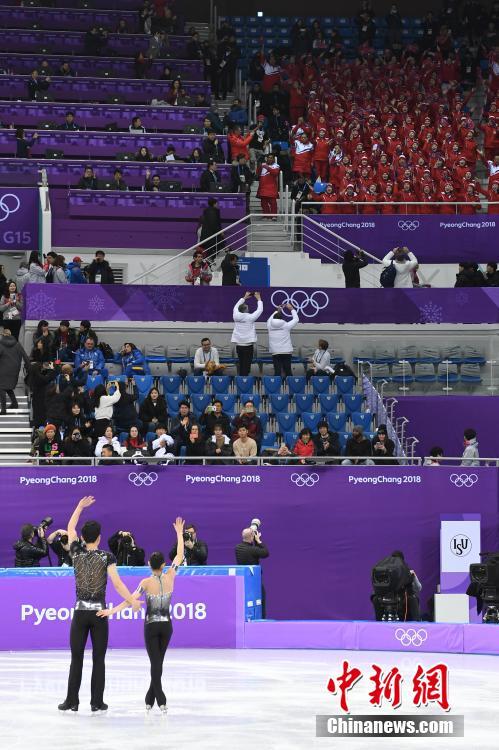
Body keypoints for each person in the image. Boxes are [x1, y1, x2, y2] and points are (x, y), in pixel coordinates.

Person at [58, 496, 140, 712]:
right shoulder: (107, 557)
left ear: (82, 537)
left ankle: (71, 701)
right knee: (98, 659)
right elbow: (118, 584)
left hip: (79, 613)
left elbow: (70, 527)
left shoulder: (76, 552)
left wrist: (79, 507)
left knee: (76, 658)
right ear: (100, 537)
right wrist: (132, 601)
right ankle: (96, 702)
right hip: (99, 614)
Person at [99, 518, 185, 712]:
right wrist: (179, 534)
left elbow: (130, 600)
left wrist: (111, 611)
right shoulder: (171, 576)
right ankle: (150, 697)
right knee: (158, 661)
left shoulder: (145, 583)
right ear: (163, 564)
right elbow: (180, 555)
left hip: (151, 627)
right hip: (167, 626)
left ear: (148, 564)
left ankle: (160, 698)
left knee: (156, 662)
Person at [235, 525, 269, 616]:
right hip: (255, 580)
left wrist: (252, 537)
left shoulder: (237, 548)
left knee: (246, 602)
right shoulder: (252, 550)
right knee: (259, 601)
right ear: (251, 537)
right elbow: (265, 553)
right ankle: (261, 619)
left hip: (243, 581)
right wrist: (258, 541)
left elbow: (252, 549)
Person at [231, 292, 263, 376]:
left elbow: (235, 306)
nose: (248, 309)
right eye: (247, 308)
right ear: (245, 310)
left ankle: (242, 379)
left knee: (242, 363)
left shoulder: (235, 315)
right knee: (247, 365)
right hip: (248, 345)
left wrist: (244, 297)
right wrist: (259, 299)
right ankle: (244, 380)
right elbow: (260, 310)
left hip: (239, 345)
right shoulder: (250, 317)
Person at [0, 329, 30, 415]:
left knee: (1, 388)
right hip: (15, 370)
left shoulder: (1, 344)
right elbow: (25, 356)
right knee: (7, 387)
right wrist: (28, 367)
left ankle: (3, 410)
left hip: (3, 369)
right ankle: (15, 403)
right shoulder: (17, 344)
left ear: (3, 335)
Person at [267, 303, 299, 378]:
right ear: (281, 319)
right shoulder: (286, 325)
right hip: (286, 351)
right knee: (288, 371)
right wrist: (292, 309)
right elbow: (296, 319)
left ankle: (276, 385)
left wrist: (277, 311)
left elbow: (269, 319)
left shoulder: (269, 325)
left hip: (275, 352)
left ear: (273, 318)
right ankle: (290, 385)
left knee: (277, 372)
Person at [257, 154, 280, 218]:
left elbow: (275, 173)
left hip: (272, 187)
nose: (269, 159)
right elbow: (258, 173)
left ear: (273, 159)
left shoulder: (276, 165)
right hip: (262, 187)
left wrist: (267, 167)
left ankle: (274, 216)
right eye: (268, 157)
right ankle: (266, 215)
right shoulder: (263, 165)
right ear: (266, 158)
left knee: (273, 202)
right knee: (263, 202)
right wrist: (259, 166)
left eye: (271, 158)